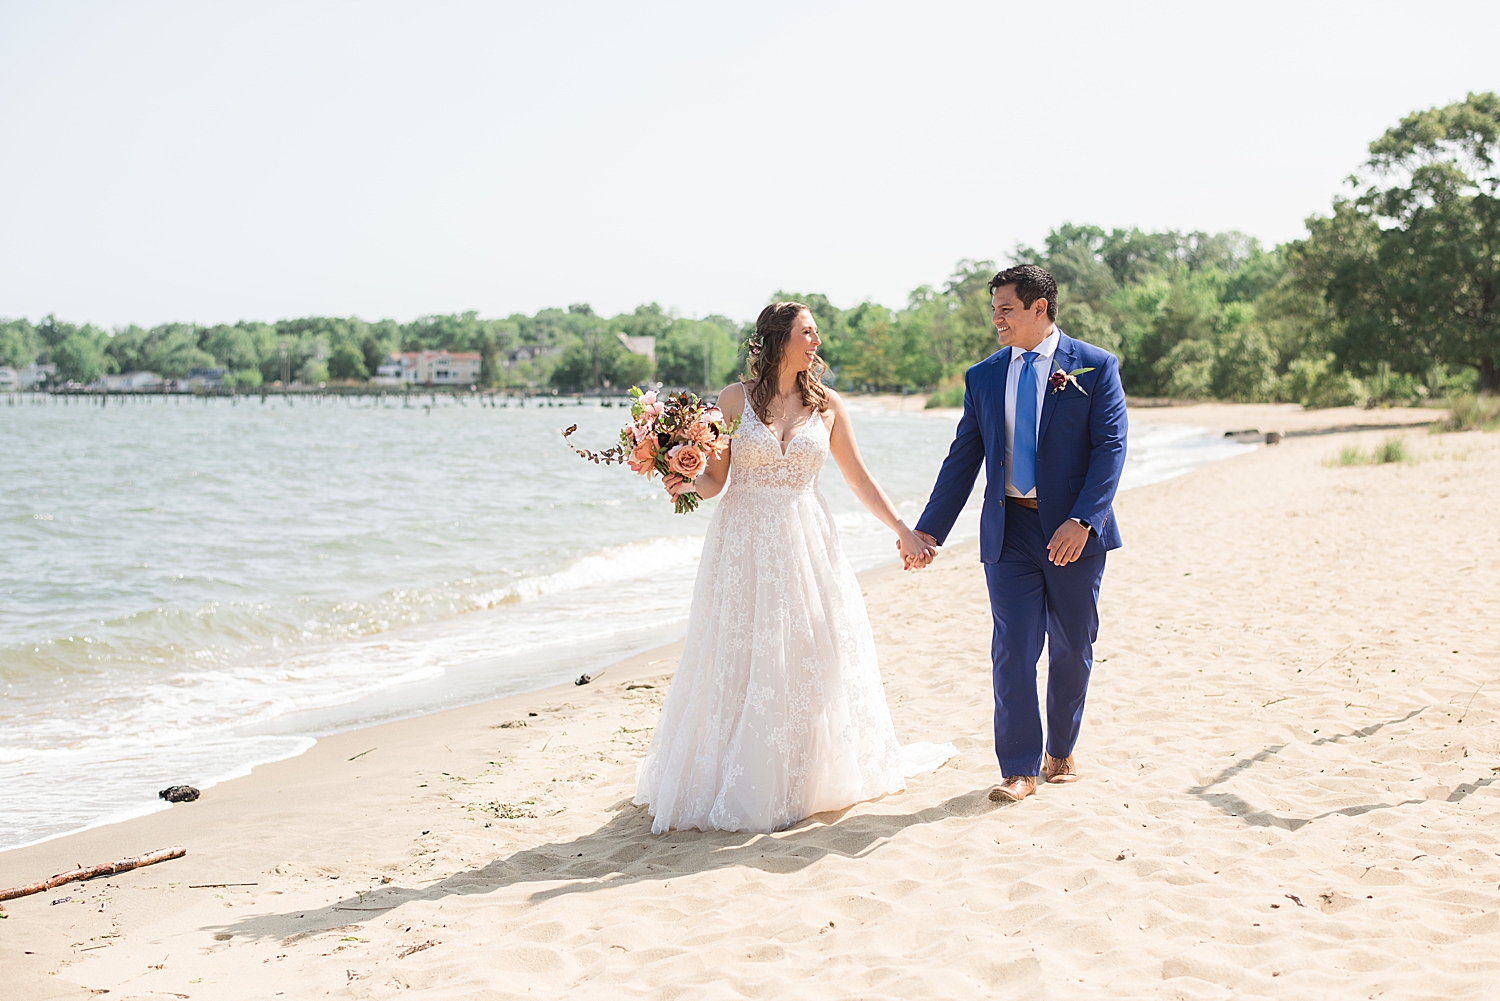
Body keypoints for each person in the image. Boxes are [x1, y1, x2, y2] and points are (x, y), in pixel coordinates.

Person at [633, 301, 953, 833]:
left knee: (808, 653)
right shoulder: (734, 399)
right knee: (738, 651)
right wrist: (682, 478)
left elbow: (859, 478)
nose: (817, 342)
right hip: (742, 543)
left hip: (807, 539)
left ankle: (803, 776)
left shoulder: (827, 406)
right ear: (779, 338)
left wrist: (903, 529)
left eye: (817, 333)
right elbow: (716, 481)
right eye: (808, 332)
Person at [909, 265, 1126, 803]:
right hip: (1008, 529)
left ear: (1040, 308)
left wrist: (1082, 521)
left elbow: (1110, 449)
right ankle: (1019, 768)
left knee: (1074, 646)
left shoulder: (1095, 367)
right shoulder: (982, 376)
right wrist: (928, 531)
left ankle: (1061, 750)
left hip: (1074, 530)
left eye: (1006, 308)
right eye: (994, 309)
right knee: (1012, 648)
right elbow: (962, 459)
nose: (996, 319)